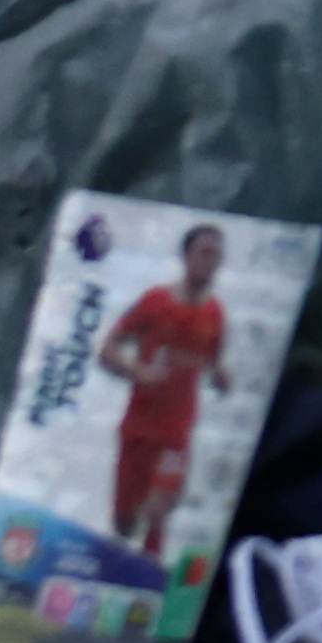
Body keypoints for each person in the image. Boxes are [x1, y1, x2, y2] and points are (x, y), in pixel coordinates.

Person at [97, 225, 236, 556]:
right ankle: (119, 563)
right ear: (186, 256)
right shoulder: (155, 301)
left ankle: (150, 580)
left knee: (160, 509)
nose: (211, 261)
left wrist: (222, 378)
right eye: (204, 252)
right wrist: (139, 372)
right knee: (125, 522)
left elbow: (215, 364)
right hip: (139, 427)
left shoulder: (215, 313)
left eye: (216, 255)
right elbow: (107, 350)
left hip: (177, 431)